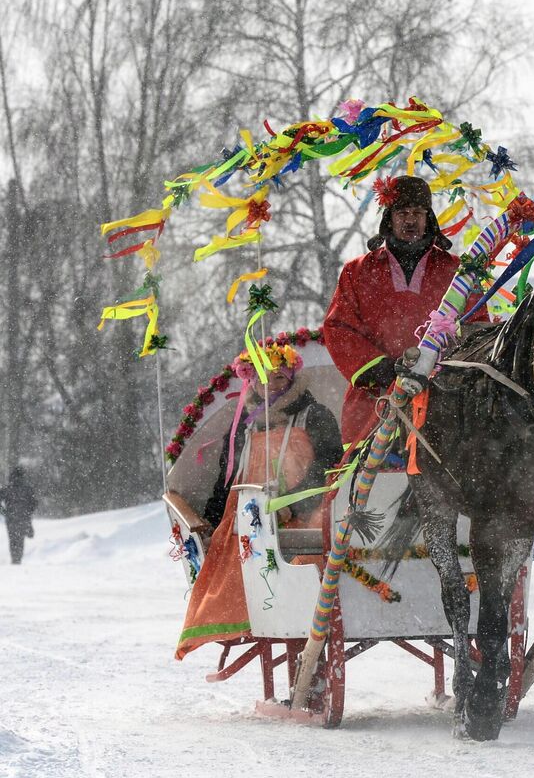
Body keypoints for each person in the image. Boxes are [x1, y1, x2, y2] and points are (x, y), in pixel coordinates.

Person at [175, 345, 343, 659]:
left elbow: (329, 465)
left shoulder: (314, 415)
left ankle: (305, 618)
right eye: (262, 378)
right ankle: (252, 617)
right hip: (248, 519)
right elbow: (226, 480)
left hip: (302, 513)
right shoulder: (243, 424)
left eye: (279, 377)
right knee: (240, 567)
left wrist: (297, 502)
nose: (271, 385)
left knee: (305, 565)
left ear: (291, 377)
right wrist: (212, 521)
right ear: (251, 380)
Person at [323, 174, 488, 445]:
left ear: (428, 219)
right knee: (371, 485)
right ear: (389, 218)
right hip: (374, 402)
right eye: (402, 212)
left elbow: (477, 328)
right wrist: (381, 369)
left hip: (443, 403)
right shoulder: (357, 271)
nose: (410, 220)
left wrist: (443, 371)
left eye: (418, 212)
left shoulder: (458, 272)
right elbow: (338, 328)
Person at [0, 467, 37, 565]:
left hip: (11, 519)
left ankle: (14, 559)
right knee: (20, 539)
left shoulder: (7, 488)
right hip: (23, 518)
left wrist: (4, 512)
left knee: (12, 539)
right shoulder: (28, 489)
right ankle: (18, 559)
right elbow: (34, 503)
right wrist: (28, 512)